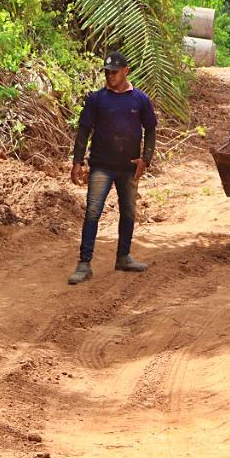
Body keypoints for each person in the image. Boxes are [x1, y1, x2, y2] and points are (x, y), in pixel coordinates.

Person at [68, 50, 158, 284]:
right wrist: (77, 161)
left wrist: (145, 159)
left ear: (126, 71)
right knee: (92, 212)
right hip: (101, 166)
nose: (110, 76)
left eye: (114, 72)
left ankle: (124, 257)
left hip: (129, 168)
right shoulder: (97, 99)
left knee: (128, 212)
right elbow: (84, 130)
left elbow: (150, 129)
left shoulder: (140, 100)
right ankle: (84, 263)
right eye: (107, 73)